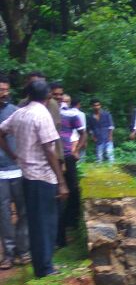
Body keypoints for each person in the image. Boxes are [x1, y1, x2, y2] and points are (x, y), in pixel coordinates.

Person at [0, 80, 65, 278]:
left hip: (26, 175)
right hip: (42, 177)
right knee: (46, 224)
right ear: (47, 97)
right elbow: (48, 148)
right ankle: (45, 268)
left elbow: (1, 131)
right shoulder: (42, 114)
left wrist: (12, 154)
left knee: (36, 223)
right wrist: (61, 181)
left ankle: (42, 267)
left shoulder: (19, 112)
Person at [0, 76, 28, 270]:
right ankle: (8, 254)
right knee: (3, 214)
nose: (4, 93)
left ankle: (23, 250)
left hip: (18, 169)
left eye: (6, 90)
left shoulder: (16, 112)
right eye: (1, 89)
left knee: (23, 211)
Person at [57, 94, 86, 246]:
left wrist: (76, 151)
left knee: (72, 190)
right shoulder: (47, 113)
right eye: (61, 100)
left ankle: (71, 224)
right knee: (58, 194)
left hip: (68, 157)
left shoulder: (73, 115)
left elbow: (83, 134)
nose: (63, 103)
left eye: (66, 100)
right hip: (53, 158)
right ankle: (59, 235)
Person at [88, 98, 115, 163]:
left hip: (107, 138)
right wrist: (93, 137)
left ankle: (112, 170)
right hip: (98, 139)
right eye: (95, 105)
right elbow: (91, 128)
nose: (97, 107)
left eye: (98, 105)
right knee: (99, 158)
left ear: (100, 105)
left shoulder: (106, 114)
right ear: (92, 106)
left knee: (110, 156)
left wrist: (110, 136)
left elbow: (111, 126)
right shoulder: (91, 117)